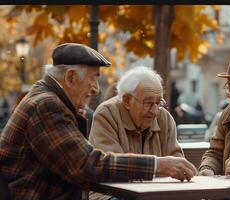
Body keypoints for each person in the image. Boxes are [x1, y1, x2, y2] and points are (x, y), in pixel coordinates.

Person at [0, 43, 197, 199]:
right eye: (93, 79)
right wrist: (157, 165)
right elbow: (87, 165)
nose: (96, 89)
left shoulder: (46, 98)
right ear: (70, 77)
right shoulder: (47, 106)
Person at [88, 66, 184, 199]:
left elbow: (177, 163)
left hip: (156, 194)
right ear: (127, 100)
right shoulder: (106, 114)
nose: (155, 110)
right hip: (111, 194)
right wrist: (157, 166)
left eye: (159, 102)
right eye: (148, 103)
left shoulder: (164, 118)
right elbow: (113, 169)